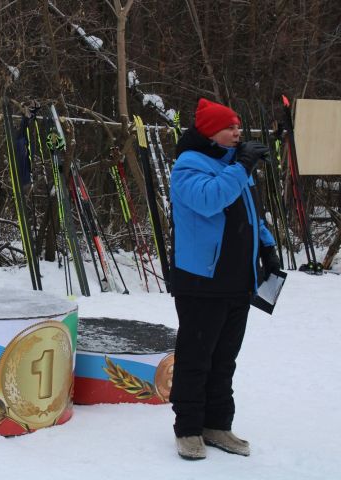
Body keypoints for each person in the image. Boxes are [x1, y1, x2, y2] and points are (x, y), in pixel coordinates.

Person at [169, 98, 281, 460]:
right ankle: (188, 428)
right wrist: (243, 165)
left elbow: (251, 212)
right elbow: (209, 200)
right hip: (201, 281)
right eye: (230, 127)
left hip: (237, 280)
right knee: (196, 356)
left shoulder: (234, 165)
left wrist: (267, 246)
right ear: (209, 132)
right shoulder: (188, 165)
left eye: (238, 127)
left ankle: (217, 424)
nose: (238, 133)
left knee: (224, 358)